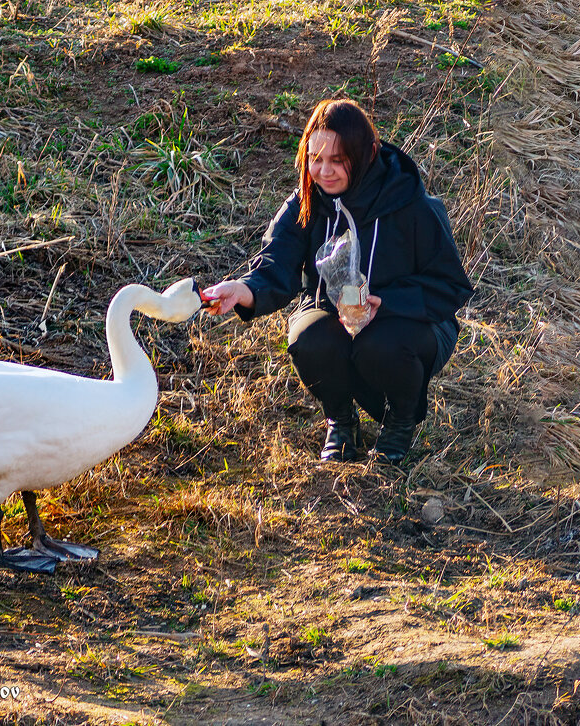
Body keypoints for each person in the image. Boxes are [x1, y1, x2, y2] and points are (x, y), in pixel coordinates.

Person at [203, 99, 473, 464]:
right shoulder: (306, 203)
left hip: (410, 324)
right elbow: (276, 265)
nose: (324, 171)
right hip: (333, 315)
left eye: (337, 160)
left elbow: (450, 286)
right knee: (309, 339)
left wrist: (387, 303)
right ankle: (341, 421)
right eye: (315, 158)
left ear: (367, 153)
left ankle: (400, 420)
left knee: (379, 344)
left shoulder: (414, 205)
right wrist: (244, 290)